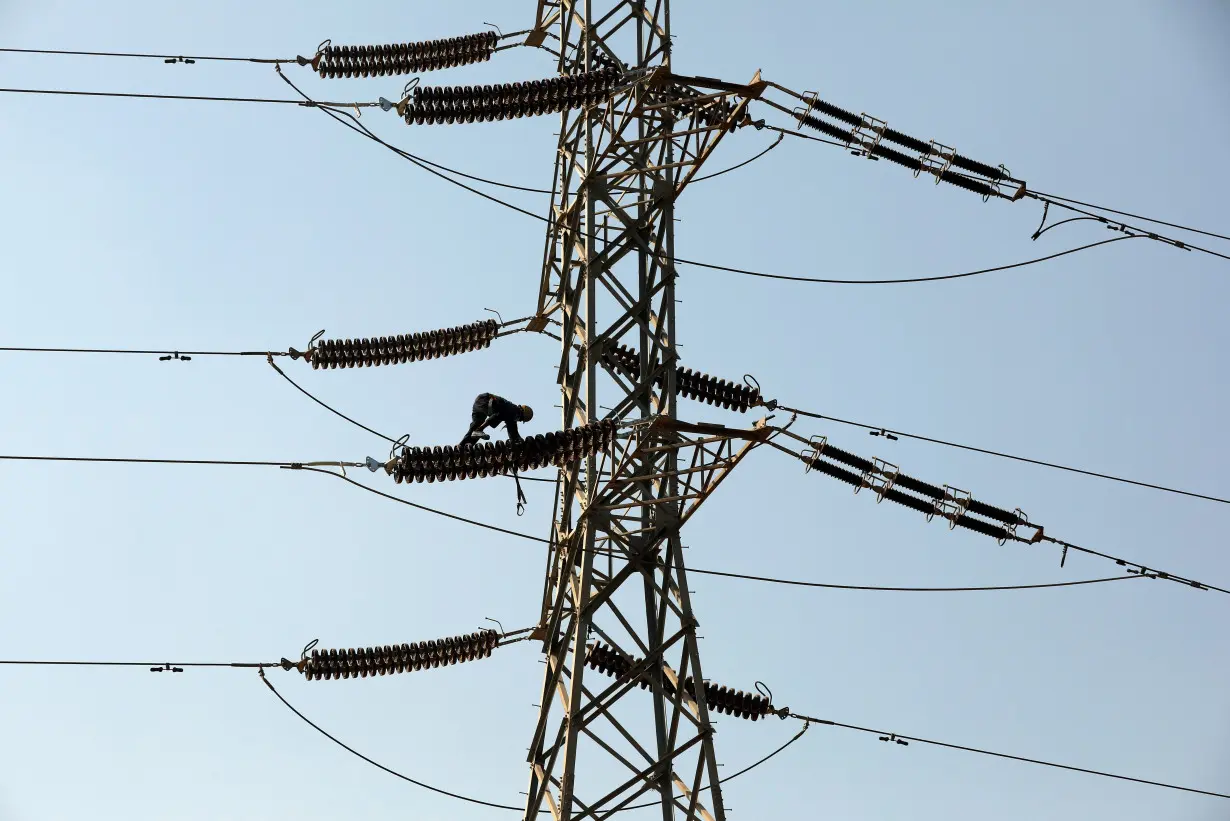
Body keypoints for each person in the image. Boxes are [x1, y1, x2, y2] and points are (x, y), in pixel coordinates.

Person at [460, 393, 534, 446]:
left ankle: (463, 446)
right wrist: (517, 440)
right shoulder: (514, 411)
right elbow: (511, 427)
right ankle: (479, 430)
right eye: (520, 419)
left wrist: (517, 439)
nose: (518, 420)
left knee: (476, 426)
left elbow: (513, 430)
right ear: (522, 413)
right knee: (500, 416)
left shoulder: (511, 410)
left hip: (479, 403)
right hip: (485, 401)